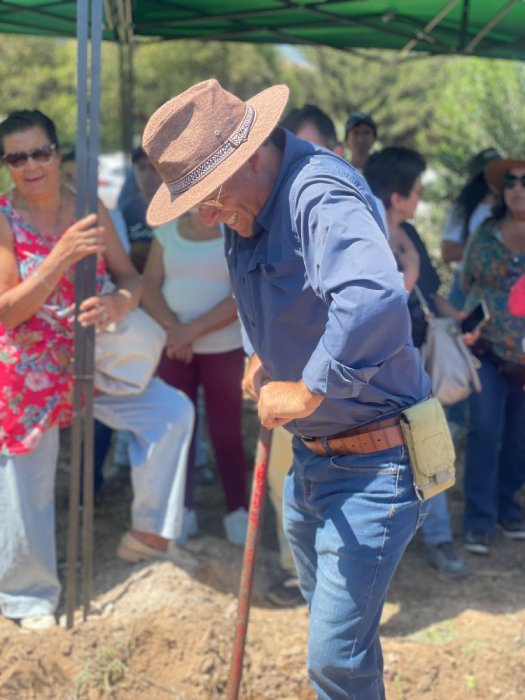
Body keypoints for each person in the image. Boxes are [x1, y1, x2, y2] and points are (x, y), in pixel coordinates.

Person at [143, 79, 431, 699]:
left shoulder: (317, 194)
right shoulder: (240, 204)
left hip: (378, 459)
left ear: (247, 158)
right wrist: (256, 356)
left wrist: (306, 391)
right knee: (335, 629)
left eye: (206, 194)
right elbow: (256, 299)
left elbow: (375, 297)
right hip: (313, 458)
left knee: (333, 658)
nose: (204, 214)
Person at [0, 109, 194, 631]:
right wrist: (57, 259)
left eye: (39, 152)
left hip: (92, 358)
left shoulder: (91, 210)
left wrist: (119, 305)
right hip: (30, 371)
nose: (31, 165)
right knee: (26, 483)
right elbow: (5, 310)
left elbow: (129, 277)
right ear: (7, 165)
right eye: (16, 157)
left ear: (57, 152)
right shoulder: (3, 218)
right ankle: (28, 595)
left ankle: (148, 534)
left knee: (172, 411)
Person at [364, 147, 468, 579]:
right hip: (375, 375)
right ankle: (379, 552)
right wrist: (405, 276)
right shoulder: (362, 238)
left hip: (417, 365)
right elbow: (373, 311)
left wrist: (457, 322)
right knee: (378, 463)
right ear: (396, 196)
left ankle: (437, 539)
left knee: (430, 446)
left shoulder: (409, 232)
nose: (421, 196)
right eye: (417, 189)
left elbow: (428, 291)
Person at [142, 210, 249, 545]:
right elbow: (148, 286)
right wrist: (176, 333)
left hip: (223, 348)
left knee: (226, 434)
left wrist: (190, 331)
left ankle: (238, 511)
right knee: (177, 433)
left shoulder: (233, 232)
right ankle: (180, 512)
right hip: (175, 349)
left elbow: (240, 295)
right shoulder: (166, 231)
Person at [461, 156, 525, 554]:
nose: (518, 186)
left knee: (519, 439)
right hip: (487, 351)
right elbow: (467, 281)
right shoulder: (484, 233)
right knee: (484, 432)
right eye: (512, 181)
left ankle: (508, 506)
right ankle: (478, 519)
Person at [441, 148, 500, 310]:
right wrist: (483, 247)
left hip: (503, 284)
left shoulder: (512, 209)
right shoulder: (462, 209)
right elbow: (448, 253)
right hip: (466, 284)